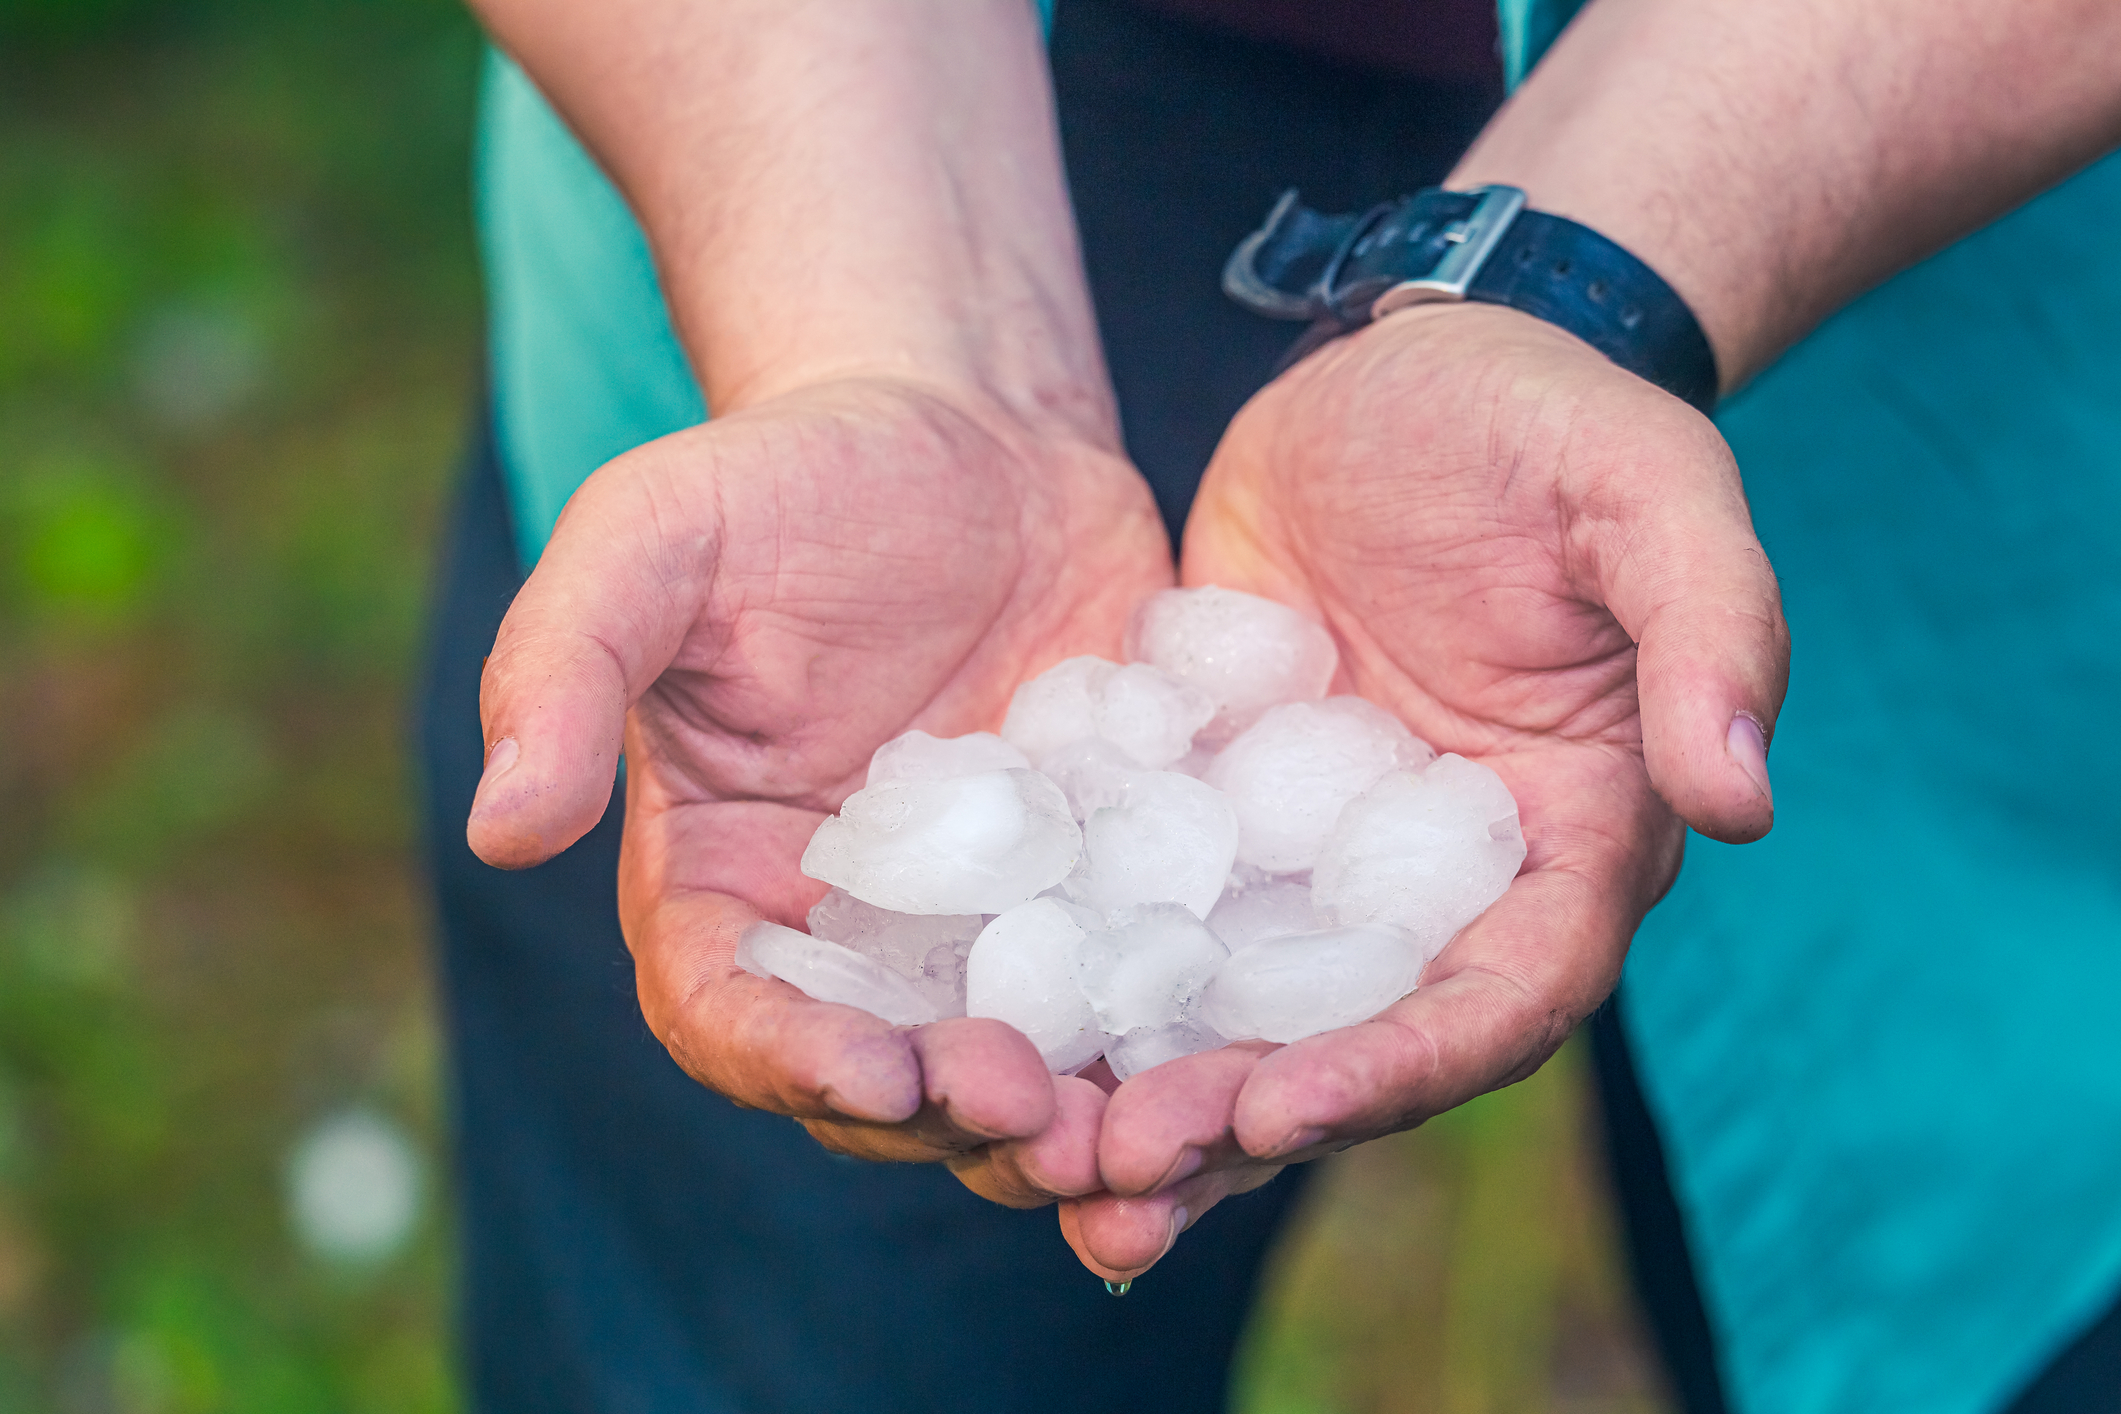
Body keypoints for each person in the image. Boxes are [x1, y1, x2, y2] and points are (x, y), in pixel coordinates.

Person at [419, 1, 2121, 1410]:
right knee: (786, 1333)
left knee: (2003, 1231)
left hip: (1934, 206)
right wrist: (880, 350)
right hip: (801, 117)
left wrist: (1565, 297)